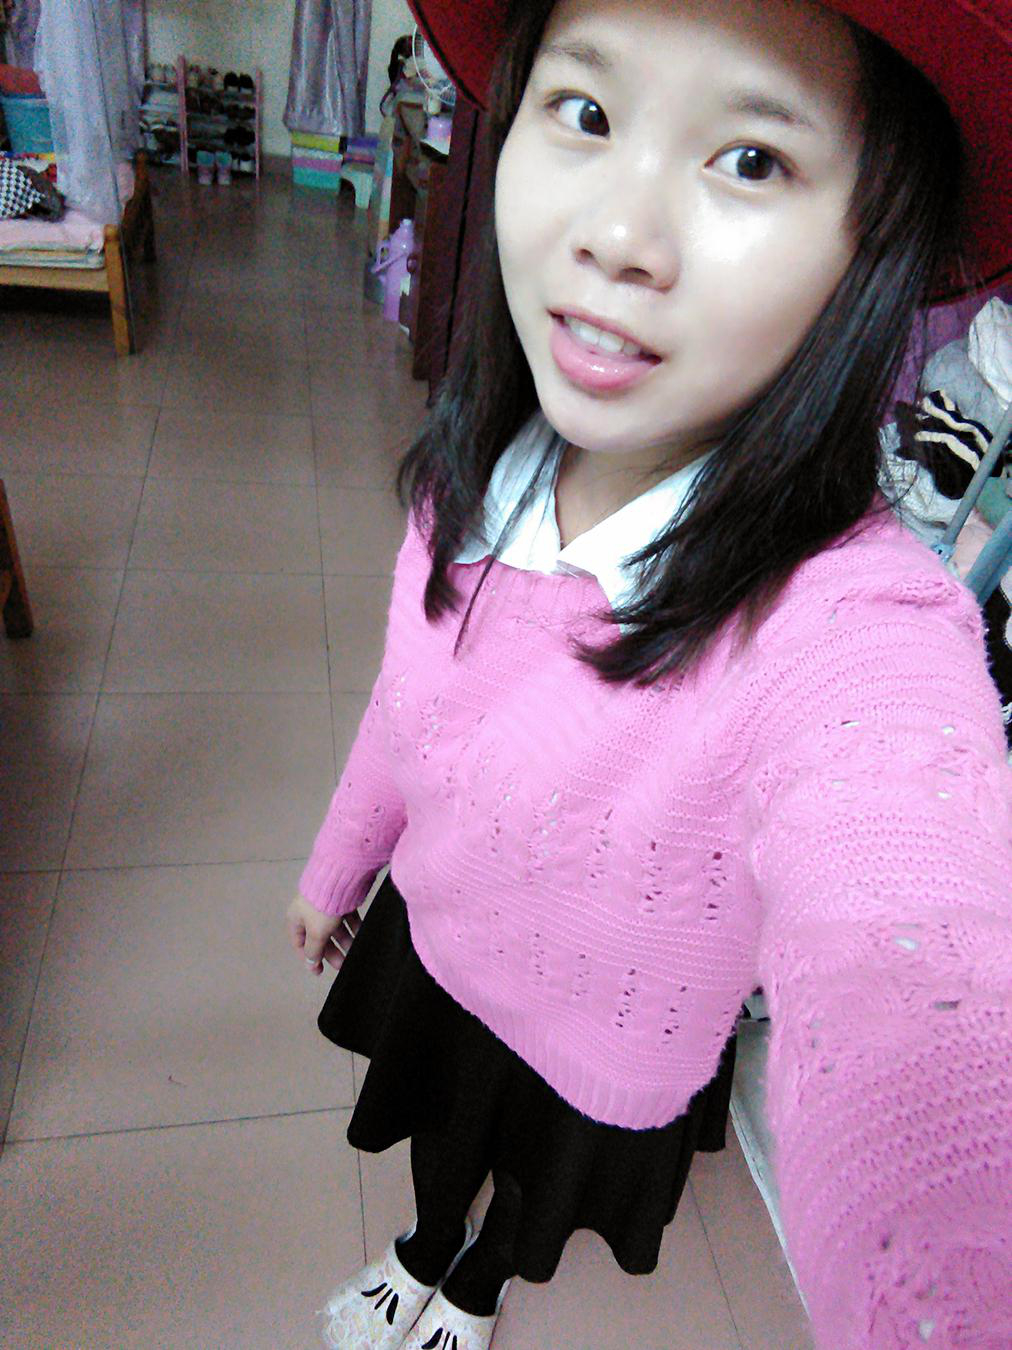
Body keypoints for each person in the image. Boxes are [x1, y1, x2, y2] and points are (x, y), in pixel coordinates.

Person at [285, 0, 1012, 1346]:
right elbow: (405, 708)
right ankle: (427, 1250)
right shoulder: (468, 483)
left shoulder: (842, 616)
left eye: (751, 159)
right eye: (586, 111)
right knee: (438, 1137)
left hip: (607, 1029)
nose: (618, 233)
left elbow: (915, 931)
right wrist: (340, 864)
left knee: (531, 1193)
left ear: (874, 248)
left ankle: (475, 1289)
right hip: (439, 944)